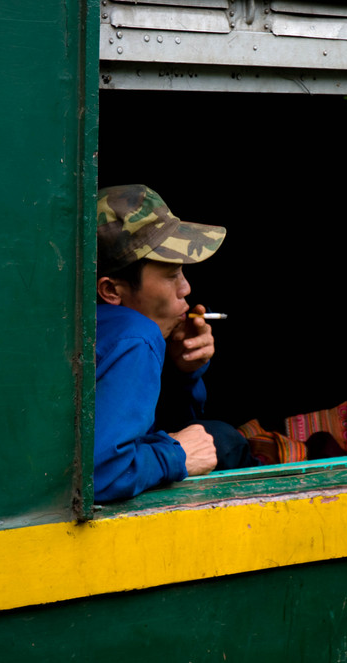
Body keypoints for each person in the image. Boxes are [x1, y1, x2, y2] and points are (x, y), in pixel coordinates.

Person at [93, 184, 255, 502]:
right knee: (223, 441)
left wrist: (181, 371)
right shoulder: (135, 334)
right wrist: (176, 456)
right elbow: (102, 476)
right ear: (111, 290)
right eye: (170, 275)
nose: (186, 288)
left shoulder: (85, 325)